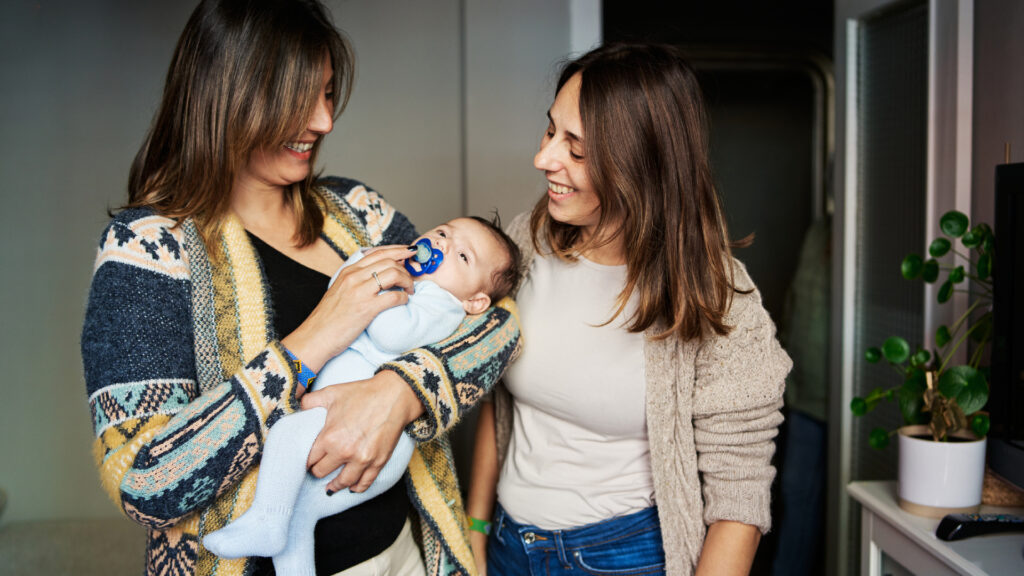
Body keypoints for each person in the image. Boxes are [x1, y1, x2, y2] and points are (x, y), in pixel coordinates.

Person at [79, 1, 520, 575]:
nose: (323, 122)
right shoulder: (148, 248)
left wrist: (401, 392)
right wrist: (314, 338)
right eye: (297, 99)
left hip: (406, 556)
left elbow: (501, 322)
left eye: (329, 94)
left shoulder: (357, 212)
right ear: (226, 94)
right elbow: (145, 480)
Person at [465, 43, 791, 576]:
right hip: (505, 545)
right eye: (551, 131)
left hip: (623, 557)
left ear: (641, 163)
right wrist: (474, 530)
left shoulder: (718, 299)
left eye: (577, 148)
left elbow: (738, 502)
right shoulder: (525, 243)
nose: (543, 158)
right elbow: (499, 402)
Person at [203, 216, 522, 575]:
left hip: (381, 449)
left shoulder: (442, 303)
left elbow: (390, 334)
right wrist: (359, 268)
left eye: (463, 257)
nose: (444, 245)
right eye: (443, 233)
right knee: (300, 517)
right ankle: (285, 548)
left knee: (286, 435)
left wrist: (370, 277)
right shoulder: (408, 279)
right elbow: (339, 293)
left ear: (476, 301)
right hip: (335, 422)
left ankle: (265, 517)